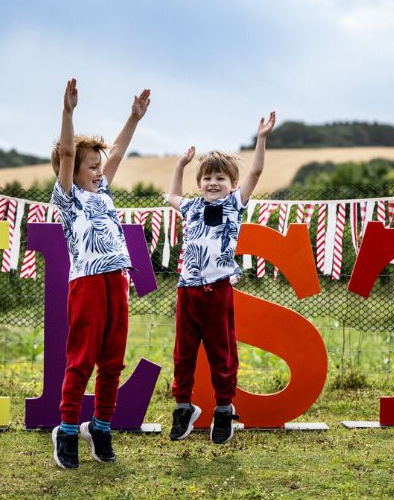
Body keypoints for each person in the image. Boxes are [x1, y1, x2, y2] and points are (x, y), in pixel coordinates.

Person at [50, 78, 150, 469]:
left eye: (98, 166)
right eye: (90, 166)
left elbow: (120, 151)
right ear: (71, 171)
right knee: (82, 360)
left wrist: (134, 117)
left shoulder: (103, 193)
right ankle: (68, 430)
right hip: (87, 284)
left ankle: (102, 426)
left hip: (116, 281)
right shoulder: (68, 197)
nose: (97, 171)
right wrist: (68, 113)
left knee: (112, 361)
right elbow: (70, 158)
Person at [165, 111, 276, 444]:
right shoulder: (192, 207)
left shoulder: (234, 205)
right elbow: (171, 197)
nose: (213, 183)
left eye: (220, 179)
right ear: (200, 183)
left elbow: (255, 171)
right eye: (208, 178)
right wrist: (180, 167)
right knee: (183, 353)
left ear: (231, 184)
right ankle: (183, 407)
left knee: (221, 352)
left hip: (218, 291)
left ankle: (224, 409)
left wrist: (261, 138)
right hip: (188, 291)